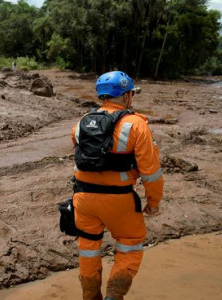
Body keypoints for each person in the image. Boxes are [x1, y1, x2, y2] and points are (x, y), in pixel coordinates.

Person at [70, 71, 164, 300]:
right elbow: (150, 172)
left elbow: (79, 153)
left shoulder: (82, 123)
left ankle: (90, 296)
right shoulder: (136, 125)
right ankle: (114, 296)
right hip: (119, 199)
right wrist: (153, 202)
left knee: (89, 247)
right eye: (131, 92)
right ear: (125, 95)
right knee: (130, 244)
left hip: (83, 199)